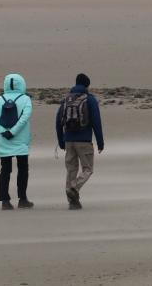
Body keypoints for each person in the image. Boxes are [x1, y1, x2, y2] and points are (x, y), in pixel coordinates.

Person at [56, 73, 104, 210]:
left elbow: (58, 122)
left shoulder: (66, 99)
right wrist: (100, 143)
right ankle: (74, 188)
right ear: (87, 85)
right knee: (88, 169)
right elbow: (96, 123)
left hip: (69, 141)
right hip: (84, 141)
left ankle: (72, 202)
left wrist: (61, 141)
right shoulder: (90, 99)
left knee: (71, 170)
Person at [0, 73, 34, 210]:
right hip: (20, 140)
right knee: (23, 169)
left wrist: (4, 131)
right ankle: (22, 199)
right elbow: (24, 118)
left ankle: (5, 201)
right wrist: (13, 132)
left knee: (5, 170)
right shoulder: (26, 99)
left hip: (3, 140)